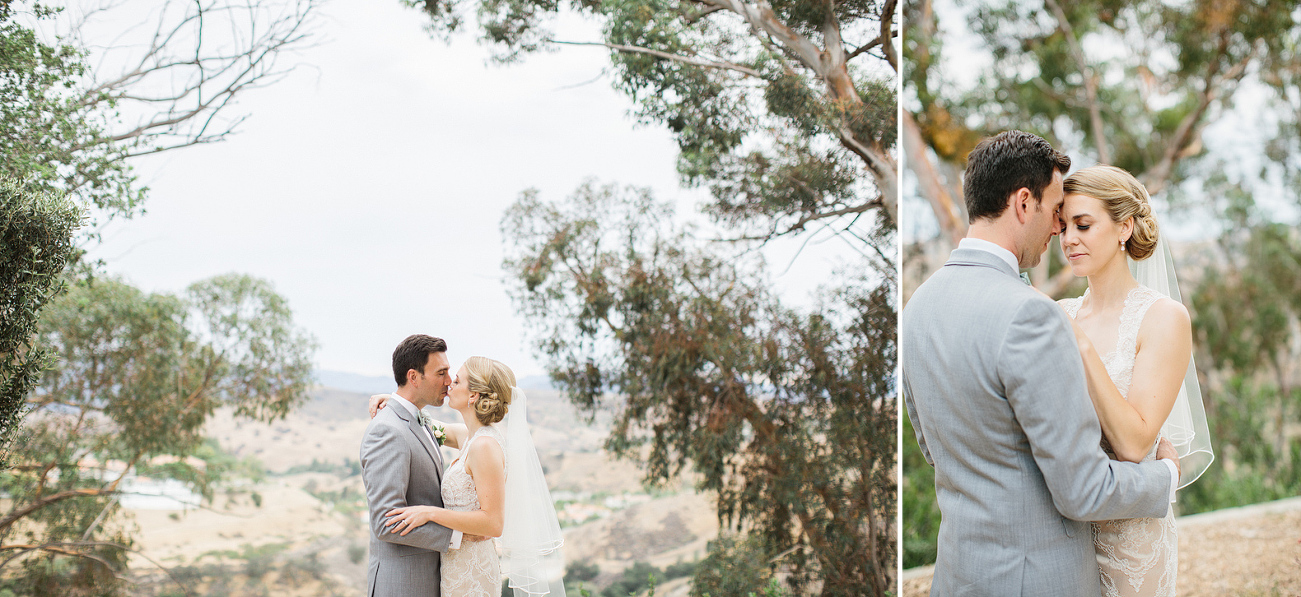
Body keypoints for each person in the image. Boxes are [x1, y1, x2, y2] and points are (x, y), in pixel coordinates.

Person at [901, 130, 1181, 596]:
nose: (1059, 230)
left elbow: (935, 448)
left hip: (959, 575)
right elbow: (1081, 490)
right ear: (1023, 202)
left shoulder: (918, 306)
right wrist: (1165, 476)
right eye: (1056, 213)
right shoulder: (1032, 312)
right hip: (1037, 580)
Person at [1055, 164, 1214, 597]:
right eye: (1063, 225)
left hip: (1132, 542)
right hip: (1062, 534)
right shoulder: (1060, 313)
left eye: (1083, 225)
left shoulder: (1163, 318)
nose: (1069, 239)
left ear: (1124, 227)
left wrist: (1082, 347)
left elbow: (1134, 444)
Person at [371, 357, 565, 597]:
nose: (450, 382)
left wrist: (429, 513)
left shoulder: (484, 446)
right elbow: (429, 426)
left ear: (473, 395)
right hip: (456, 563)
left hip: (472, 571)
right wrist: (398, 402)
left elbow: (493, 523)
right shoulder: (472, 436)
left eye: (458, 380)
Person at [360, 334, 461, 597]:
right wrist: (457, 536)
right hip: (402, 585)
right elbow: (385, 522)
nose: (449, 381)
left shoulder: (419, 420)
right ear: (414, 377)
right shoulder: (388, 431)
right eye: (441, 373)